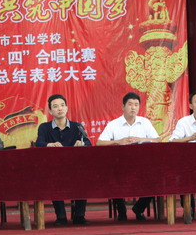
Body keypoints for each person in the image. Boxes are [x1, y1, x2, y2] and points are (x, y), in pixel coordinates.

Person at [97, 92, 161, 221]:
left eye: (136, 105)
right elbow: (99, 143)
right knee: (112, 179)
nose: (133, 108)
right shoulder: (113, 124)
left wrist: (140, 139)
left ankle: (139, 208)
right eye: (130, 104)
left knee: (156, 179)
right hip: (120, 167)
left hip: (143, 166)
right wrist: (117, 141)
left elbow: (158, 140)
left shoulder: (145, 122)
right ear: (123, 107)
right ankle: (121, 211)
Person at [35, 94, 92, 226]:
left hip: (75, 168)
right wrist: (49, 144)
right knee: (53, 178)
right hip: (54, 168)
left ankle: (79, 216)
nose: (59, 109)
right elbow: (39, 143)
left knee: (83, 177)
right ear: (50, 111)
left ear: (66, 108)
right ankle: (61, 217)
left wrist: (82, 143)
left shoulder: (77, 126)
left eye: (62, 105)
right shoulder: (44, 127)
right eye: (55, 106)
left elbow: (88, 143)